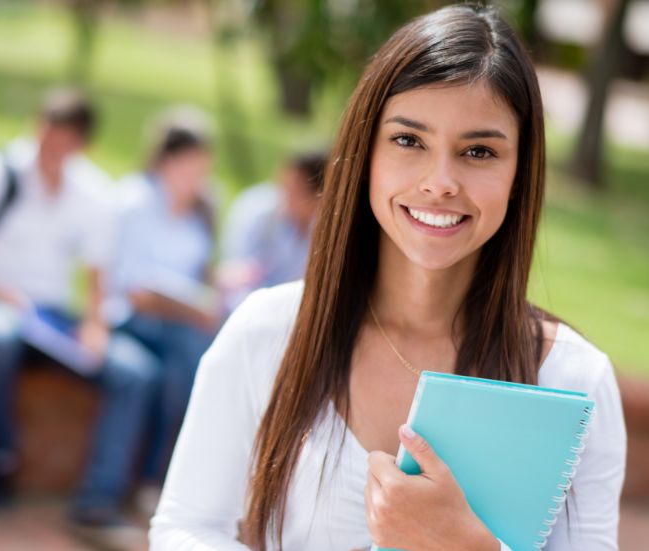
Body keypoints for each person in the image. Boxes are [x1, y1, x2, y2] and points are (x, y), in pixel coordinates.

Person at [150, 5, 626, 551]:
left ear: (520, 173)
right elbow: (184, 528)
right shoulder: (268, 331)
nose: (440, 182)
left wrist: (464, 545)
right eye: (408, 140)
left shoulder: (571, 379)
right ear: (365, 154)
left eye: (479, 151)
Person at [0, 88, 157, 540]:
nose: (54, 150)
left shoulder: (92, 192)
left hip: (51, 317)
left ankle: (97, 501)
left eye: (66, 142)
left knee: (134, 372)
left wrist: (95, 326)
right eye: (49, 136)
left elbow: (97, 274)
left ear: (83, 145)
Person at [90, 108, 219, 528]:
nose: (197, 176)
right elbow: (135, 289)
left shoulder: (203, 208)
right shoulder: (133, 202)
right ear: (166, 160)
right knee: (177, 362)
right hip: (130, 321)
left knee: (189, 370)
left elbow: (201, 273)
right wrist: (194, 307)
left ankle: (158, 483)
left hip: (178, 328)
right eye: (190, 165)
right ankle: (110, 495)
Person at [218, 151, 327, 311]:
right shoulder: (255, 211)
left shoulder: (323, 229)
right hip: (247, 305)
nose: (285, 193)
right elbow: (231, 273)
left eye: (296, 189)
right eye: (284, 184)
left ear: (317, 197)